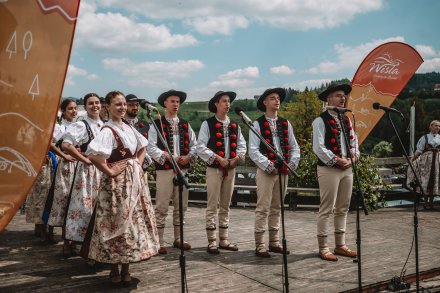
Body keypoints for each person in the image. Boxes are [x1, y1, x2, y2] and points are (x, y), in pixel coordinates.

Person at [82, 91, 159, 286]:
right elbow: (93, 155)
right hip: (116, 187)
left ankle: (127, 268)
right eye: (118, 104)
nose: (123, 108)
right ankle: (114, 269)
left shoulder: (128, 128)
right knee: (116, 222)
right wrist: (110, 171)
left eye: (124, 104)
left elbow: (143, 147)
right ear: (107, 107)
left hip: (134, 181)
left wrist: (137, 164)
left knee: (133, 222)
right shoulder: (108, 131)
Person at [249, 88, 300, 258]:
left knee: (277, 207)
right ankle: (260, 245)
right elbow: (253, 150)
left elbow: (294, 147)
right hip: (267, 171)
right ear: (264, 102)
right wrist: (269, 165)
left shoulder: (285, 123)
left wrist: (291, 162)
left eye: (278, 98)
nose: (277, 101)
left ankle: (274, 242)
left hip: (283, 171)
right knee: (263, 207)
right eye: (272, 98)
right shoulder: (257, 124)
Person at [312, 82, 359, 261]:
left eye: (343, 96)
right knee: (326, 208)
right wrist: (336, 160)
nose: (343, 98)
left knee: (343, 207)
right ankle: (323, 247)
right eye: (339, 95)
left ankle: (340, 245)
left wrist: (354, 157)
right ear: (329, 98)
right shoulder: (320, 120)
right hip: (328, 169)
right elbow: (318, 147)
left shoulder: (346, 119)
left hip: (347, 167)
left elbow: (354, 141)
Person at [196, 91, 247, 254]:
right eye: (224, 101)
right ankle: (212, 241)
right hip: (214, 169)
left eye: (229, 101)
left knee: (226, 205)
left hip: (230, 169)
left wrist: (236, 158)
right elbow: (200, 147)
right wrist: (218, 158)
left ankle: (224, 239)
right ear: (216, 104)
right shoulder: (207, 124)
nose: (228, 104)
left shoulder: (234, 125)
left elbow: (242, 145)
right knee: (212, 205)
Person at [147, 89, 197, 254]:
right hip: (165, 170)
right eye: (172, 101)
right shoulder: (157, 123)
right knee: (161, 205)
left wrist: (189, 156)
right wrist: (167, 156)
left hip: (182, 170)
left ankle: (179, 238)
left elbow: (195, 145)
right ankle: (159, 240)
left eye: (177, 102)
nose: (175, 104)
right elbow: (151, 147)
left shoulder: (185, 124)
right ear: (165, 103)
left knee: (181, 205)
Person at [27, 99, 77, 244]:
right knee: (45, 194)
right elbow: (49, 142)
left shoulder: (70, 126)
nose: (73, 111)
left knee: (57, 195)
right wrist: (63, 155)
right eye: (70, 109)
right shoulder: (54, 126)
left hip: (62, 163)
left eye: (75, 108)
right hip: (51, 161)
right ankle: (43, 228)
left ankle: (49, 228)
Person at [61, 93, 103, 247]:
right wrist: (84, 159)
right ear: (85, 107)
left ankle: (93, 244)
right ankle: (72, 243)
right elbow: (66, 145)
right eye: (90, 103)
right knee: (83, 208)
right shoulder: (82, 125)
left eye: (97, 102)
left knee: (99, 207)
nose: (95, 106)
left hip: (103, 171)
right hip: (88, 172)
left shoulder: (104, 125)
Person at [408, 120, 440, 210]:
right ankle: (426, 202)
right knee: (426, 180)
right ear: (430, 127)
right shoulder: (425, 138)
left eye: (439, 126)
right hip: (426, 162)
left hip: (437, 161)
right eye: (435, 125)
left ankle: (432, 202)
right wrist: (412, 160)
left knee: (435, 181)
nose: (437, 127)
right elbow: (419, 151)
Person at [124, 94, 152, 172]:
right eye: (131, 105)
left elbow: (150, 145)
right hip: (125, 168)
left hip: (142, 168)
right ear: (124, 106)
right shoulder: (120, 124)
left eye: (137, 105)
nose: (135, 107)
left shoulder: (145, 124)